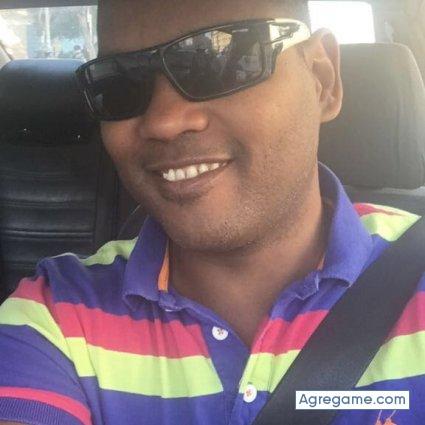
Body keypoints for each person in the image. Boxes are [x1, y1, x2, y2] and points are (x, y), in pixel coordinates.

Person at [0, 1, 421, 424]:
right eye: (119, 84)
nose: (164, 122)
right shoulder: (51, 317)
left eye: (221, 62)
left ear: (321, 79)